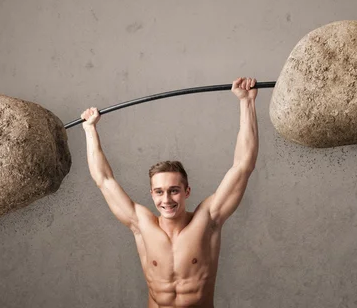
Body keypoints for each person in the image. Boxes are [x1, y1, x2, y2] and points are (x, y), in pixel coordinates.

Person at [81, 77, 259, 308]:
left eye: (174, 191)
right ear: (152, 194)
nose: (166, 200)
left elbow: (243, 166)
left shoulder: (208, 220)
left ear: (187, 191)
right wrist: (89, 129)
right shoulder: (141, 224)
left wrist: (246, 103)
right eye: (159, 192)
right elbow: (104, 180)